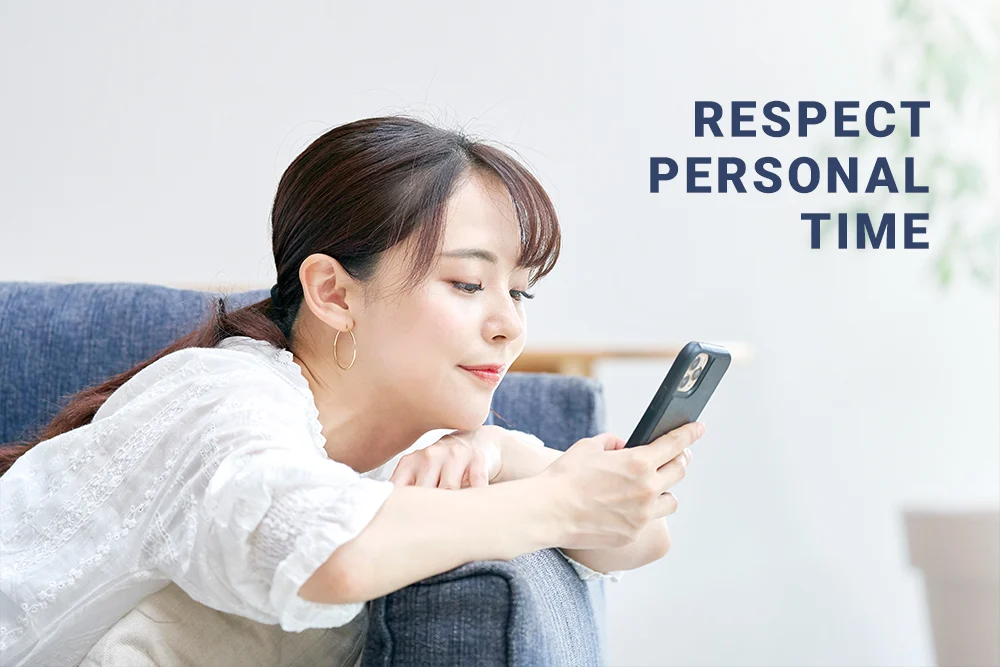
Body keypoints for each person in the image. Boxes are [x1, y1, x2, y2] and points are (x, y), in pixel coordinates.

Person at [0, 116, 703, 666]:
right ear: (333, 292)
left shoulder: (417, 440)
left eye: (519, 291)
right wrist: (561, 499)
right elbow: (326, 552)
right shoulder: (217, 397)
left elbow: (640, 536)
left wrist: (498, 451)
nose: (508, 325)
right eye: (466, 283)